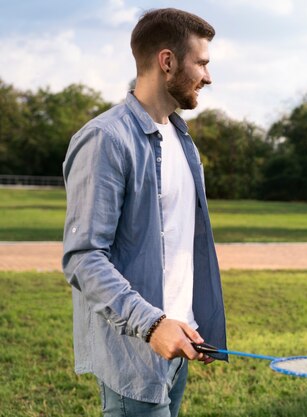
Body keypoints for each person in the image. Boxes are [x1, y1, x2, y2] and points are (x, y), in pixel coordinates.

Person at [62, 8, 227, 416]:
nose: (208, 77)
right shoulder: (105, 139)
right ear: (167, 61)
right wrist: (152, 324)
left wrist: (188, 320)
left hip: (178, 339)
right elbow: (83, 258)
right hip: (136, 347)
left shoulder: (183, 140)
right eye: (201, 63)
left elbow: (179, 244)